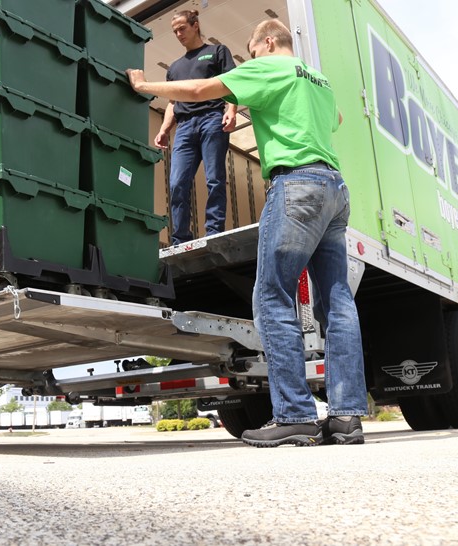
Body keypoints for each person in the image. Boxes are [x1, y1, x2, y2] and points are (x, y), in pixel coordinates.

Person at [127, 19, 368, 447]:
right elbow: (337, 117)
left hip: (296, 185)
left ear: (268, 43)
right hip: (335, 189)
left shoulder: (267, 67)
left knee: (272, 297)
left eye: (252, 53)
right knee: (337, 304)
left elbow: (200, 90)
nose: (250, 60)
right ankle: (347, 417)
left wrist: (145, 86)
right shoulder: (318, 79)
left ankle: (295, 415)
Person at [155, 10, 237, 246]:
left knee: (215, 179)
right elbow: (173, 103)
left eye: (182, 28)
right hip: (184, 128)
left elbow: (233, 84)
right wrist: (164, 129)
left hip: (212, 119)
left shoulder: (217, 51)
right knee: (176, 183)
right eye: (175, 31)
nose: (178, 34)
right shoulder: (174, 68)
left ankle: (213, 231)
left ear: (195, 25)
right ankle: (180, 238)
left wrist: (231, 110)